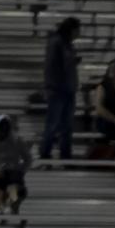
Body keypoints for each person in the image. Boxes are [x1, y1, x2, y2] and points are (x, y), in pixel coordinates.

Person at [41, 17, 80, 161]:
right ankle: (45, 153)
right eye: (77, 30)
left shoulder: (67, 43)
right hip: (57, 90)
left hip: (67, 89)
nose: (78, 33)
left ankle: (65, 154)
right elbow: (51, 67)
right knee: (53, 124)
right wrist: (50, 87)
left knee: (67, 126)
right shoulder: (56, 42)